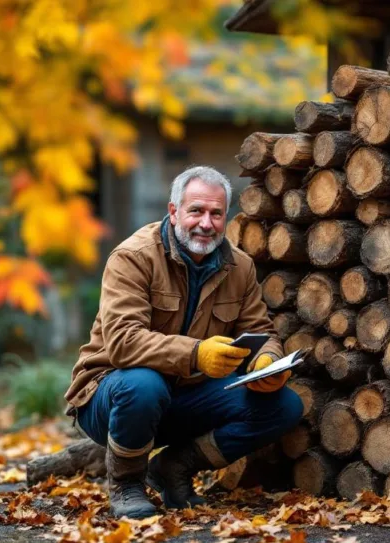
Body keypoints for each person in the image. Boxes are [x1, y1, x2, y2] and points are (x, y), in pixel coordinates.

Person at [64, 166, 302, 519]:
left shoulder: (239, 267)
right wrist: (196, 354)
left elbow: (262, 331)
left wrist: (268, 362)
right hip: (109, 396)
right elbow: (122, 342)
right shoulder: (132, 257)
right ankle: (127, 484)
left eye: (216, 214)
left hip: (184, 397)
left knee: (285, 406)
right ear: (174, 212)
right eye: (196, 211)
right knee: (144, 384)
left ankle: (173, 467)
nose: (206, 223)